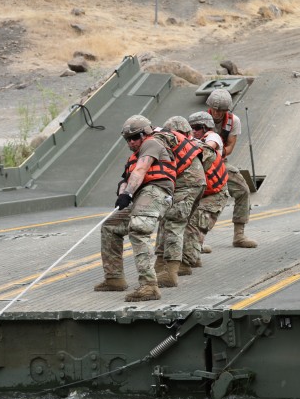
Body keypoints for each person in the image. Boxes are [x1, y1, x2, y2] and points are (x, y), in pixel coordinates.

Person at [95, 115, 175, 302]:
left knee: (139, 229)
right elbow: (126, 179)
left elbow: (141, 170)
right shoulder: (134, 155)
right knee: (110, 226)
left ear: (145, 133)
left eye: (135, 137)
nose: (131, 142)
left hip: (157, 191)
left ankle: (149, 286)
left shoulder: (151, 143)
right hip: (142, 196)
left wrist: (128, 194)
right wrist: (123, 192)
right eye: (127, 139)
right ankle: (114, 279)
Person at [153, 116, 206, 287]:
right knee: (174, 222)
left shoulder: (165, 142)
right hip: (197, 186)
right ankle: (164, 264)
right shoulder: (191, 144)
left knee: (174, 224)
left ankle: (170, 274)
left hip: (186, 187)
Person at [205, 88, 258, 249]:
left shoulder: (233, 121)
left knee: (243, 190)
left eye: (221, 110)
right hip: (200, 163)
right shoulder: (200, 121)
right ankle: (196, 240)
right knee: (200, 197)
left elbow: (229, 147)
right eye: (215, 109)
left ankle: (239, 236)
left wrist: (215, 150)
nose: (217, 113)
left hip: (220, 160)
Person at [179, 111, 229, 275]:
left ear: (206, 128)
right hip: (201, 192)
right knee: (183, 220)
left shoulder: (211, 138)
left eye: (197, 128)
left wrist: (190, 142)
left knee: (195, 223)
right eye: (191, 128)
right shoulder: (191, 143)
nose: (194, 131)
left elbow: (211, 144)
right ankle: (194, 255)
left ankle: (186, 263)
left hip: (215, 194)